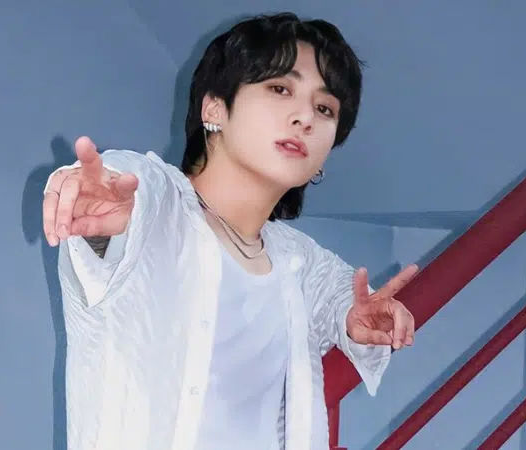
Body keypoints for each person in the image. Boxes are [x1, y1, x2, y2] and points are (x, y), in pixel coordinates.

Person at [42, 12, 417, 450]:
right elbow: (127, 197)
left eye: (325, 108)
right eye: (280, 89)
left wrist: (358, 323)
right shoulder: (157, 207)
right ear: (214, 108)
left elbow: (343, 300)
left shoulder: (299, 260)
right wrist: (95, 199)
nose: (306, 118)